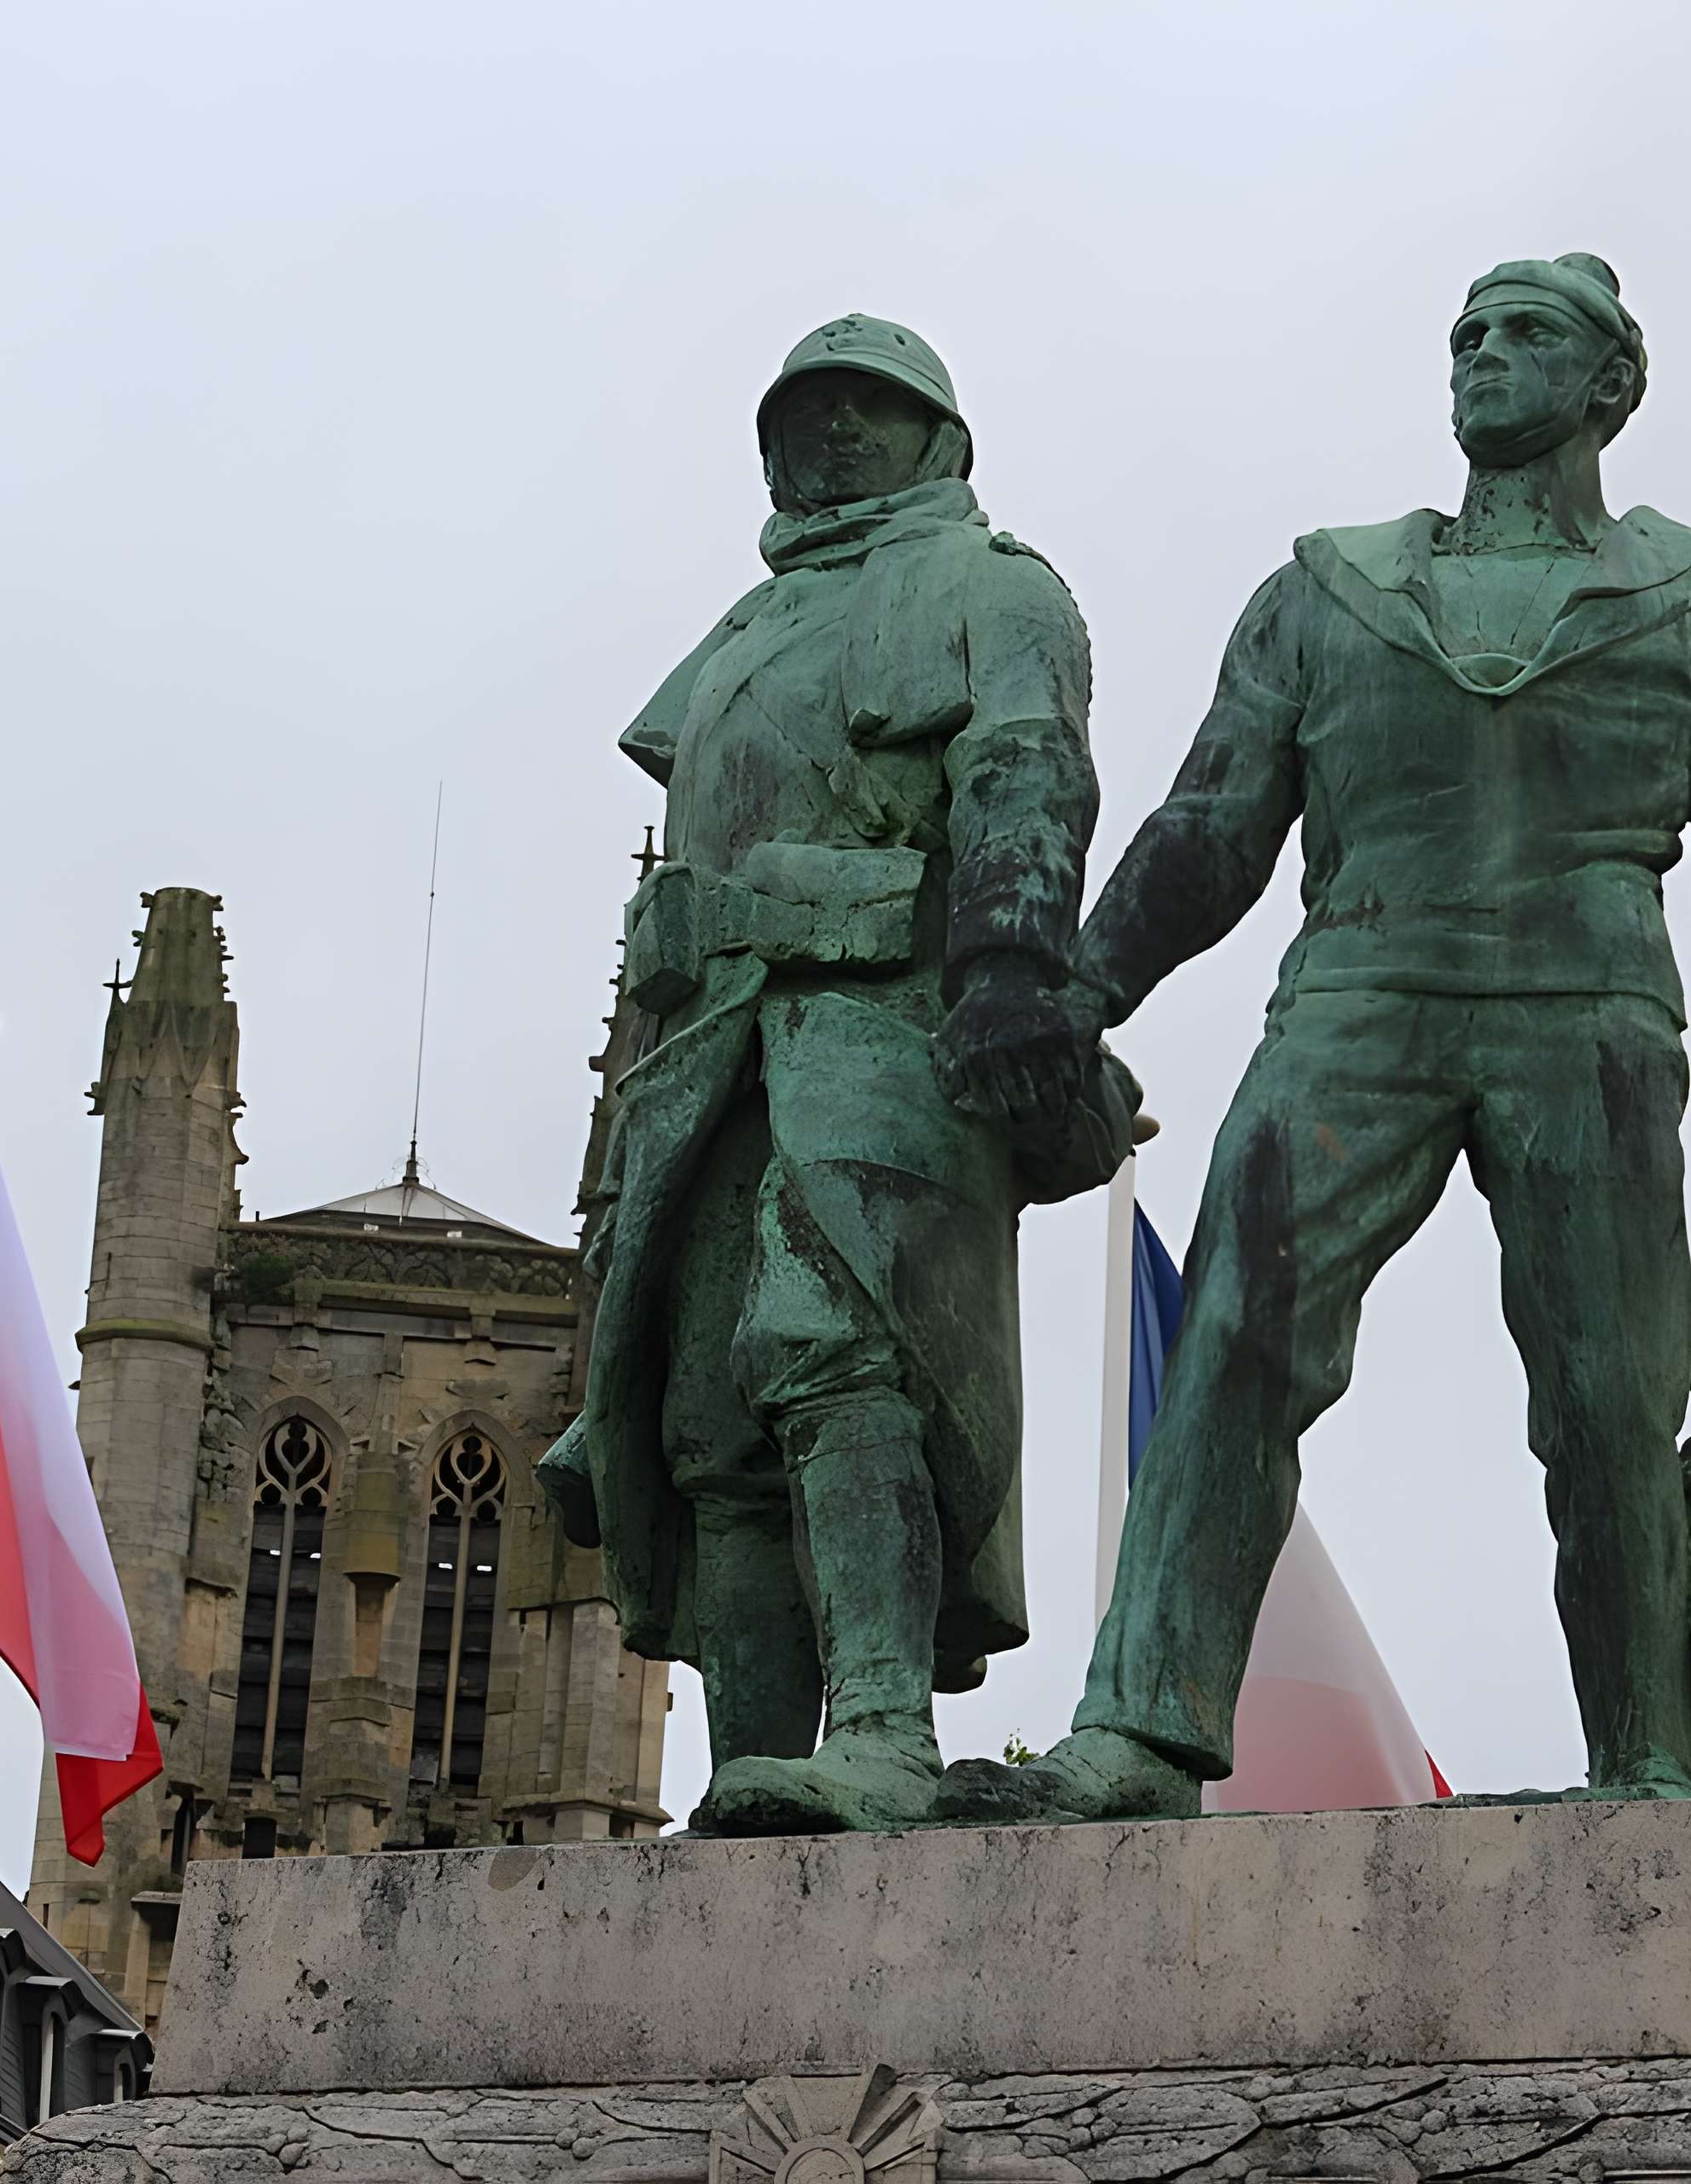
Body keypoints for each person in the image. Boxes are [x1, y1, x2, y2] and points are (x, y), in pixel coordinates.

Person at [956, 255, 1691, 1824]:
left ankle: (1646, 1761)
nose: (1482, 354)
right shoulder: (1327, 589)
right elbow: (1211, 828)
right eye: (1467, 334)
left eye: (1525, 333)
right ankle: (1140, 1730)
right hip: (1356, 992)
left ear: (1609, 385)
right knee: (1236, 1335)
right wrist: (1078, 990)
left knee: (1610, 1397)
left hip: (1590, 1013)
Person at [540, 315, 1124, 1834]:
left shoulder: (995, 586)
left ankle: (880, 1733)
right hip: (705, 1050)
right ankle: (753, 1769)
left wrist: (1010, 970)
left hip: (878, 1027)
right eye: (811, 418)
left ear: (940, 437)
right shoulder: (743, 631)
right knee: (709, 1420)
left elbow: (1027, 771)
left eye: (873, 410)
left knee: (833, 1347)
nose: (840, 436)